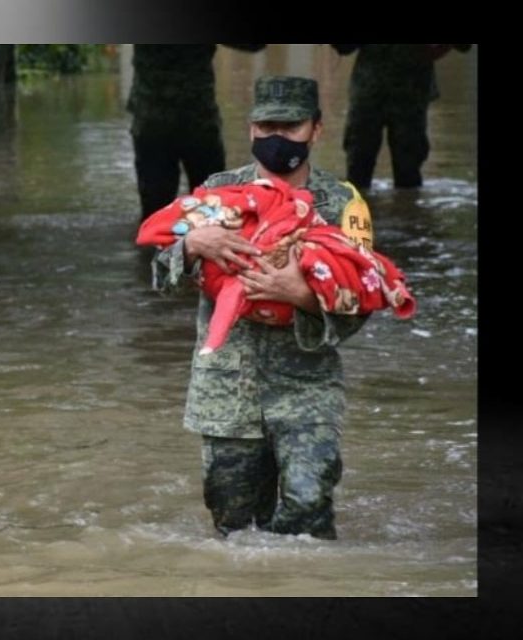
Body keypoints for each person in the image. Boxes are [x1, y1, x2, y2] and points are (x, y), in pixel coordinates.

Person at [151, 76, 373, 539]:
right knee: (235, 527)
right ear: (251, 128)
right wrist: (191, 243)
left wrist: (302, 295)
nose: (276, 138)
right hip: (227, 391)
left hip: (307, 388)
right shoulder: (217, 192)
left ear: (317, 130)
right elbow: (160, 278)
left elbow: (365, 300)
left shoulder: (342, 204)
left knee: (309, 510)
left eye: (290, 126)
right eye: (265, 125)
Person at [128, 44, 265, 219]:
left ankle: (154, 242)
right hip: (196, 121)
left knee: (155, 213)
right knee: (211, 208)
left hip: (154, 121)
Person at [332, 44, 473, 189]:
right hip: (370, 94)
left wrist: (434, 51)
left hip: (409, 94)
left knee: (408, 172)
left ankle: (406, 208)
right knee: (358, 168)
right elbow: (344, 48)